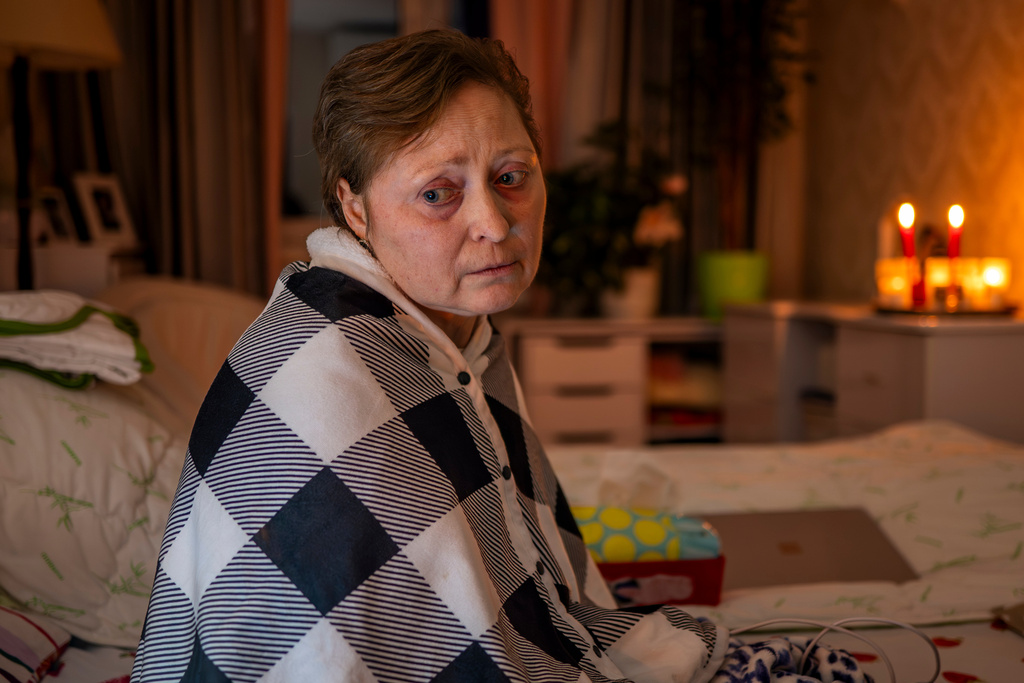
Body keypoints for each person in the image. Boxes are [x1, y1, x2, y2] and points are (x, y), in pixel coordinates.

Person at [132, 29, 870, 683]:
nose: (493, 222)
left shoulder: (443, 329)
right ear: (354, 209)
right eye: (437, 194)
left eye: (511, 177)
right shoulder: (332, 365)